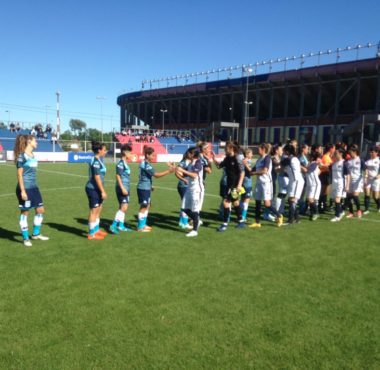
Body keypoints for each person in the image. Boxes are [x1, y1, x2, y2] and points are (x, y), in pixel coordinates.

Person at [14, 134, 49, 247]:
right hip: (25, 188)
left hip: (34, 188)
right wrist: (23, 191)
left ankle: (35, 234)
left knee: (40, 210)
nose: (37, 143)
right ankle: (25, 238)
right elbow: (19, 175)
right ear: (29, 141)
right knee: (25, 213)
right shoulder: (22, 156)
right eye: (35, 141)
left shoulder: (33, 155)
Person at [136, 146, 175, 232]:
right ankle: (140, 227)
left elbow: (145, 176)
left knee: (147, 205)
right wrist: (169, 171)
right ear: (147, 155)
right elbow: (156, 175)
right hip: (143, 188)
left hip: (146, 187)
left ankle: (143, 224)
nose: (154, 157)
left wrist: (150, 185)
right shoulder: (146, 164)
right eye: (152, 155)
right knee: (144, 206)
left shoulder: (146, 163)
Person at [212, 142, 246, 232]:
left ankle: (224, 224)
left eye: (226, 148)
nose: (225, 150)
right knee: (235, 202)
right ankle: (241, 221)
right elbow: (219, 166)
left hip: (234, 185)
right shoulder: (227, 158)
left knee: (226, 203)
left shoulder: (237, 157)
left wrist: (239, 185)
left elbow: (242, 172)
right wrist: (213, 159)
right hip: (229, 184)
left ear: (231, 148)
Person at [249, 143, 283, 228]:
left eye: (259, 148)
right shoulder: (259, 159)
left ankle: (279, 216)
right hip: (259, 183)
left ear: (263, 149)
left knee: (267, 204)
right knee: (257, 201)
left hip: (266, 183)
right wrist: (245, 164)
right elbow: (251, 170)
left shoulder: (267, 158)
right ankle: (257, 222)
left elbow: (265, 171)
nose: (257, 150)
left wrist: (254, 173)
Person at [176, 149, 204, 237]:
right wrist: (176, 169)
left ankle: (195, 230)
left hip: (197, 190)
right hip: (189, 189)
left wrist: (182, 171)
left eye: (189, 153)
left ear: (193, 154)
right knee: (184, 208)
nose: (187, 154)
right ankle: (197, 220)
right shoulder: (190, 163)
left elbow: (194, 175)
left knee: (195, 210)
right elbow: (185, 174)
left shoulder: (198, 162)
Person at [85, 141, 108, 240]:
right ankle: (91, 234)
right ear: (99, 150)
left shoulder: (99, 160)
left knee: (99, 209)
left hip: (98, 188)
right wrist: (102, 191)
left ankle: (96, 230)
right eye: (104, 150)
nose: (105, 151)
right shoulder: (95, 161)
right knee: (94, 211)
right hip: (93, 189)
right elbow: (97, 177)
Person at [109, 144, 133, 234]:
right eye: (130, 152)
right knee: (124, 207)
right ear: (125, 153)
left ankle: (121, 226)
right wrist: (122, 188)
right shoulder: (120, 163)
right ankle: (113, 225)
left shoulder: (125, 163)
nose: (131, 154)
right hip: (121, 188)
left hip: (126, 187)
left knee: (122, 207)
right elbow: (118, 176)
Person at [282, 144, 305, 225]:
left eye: (284, 150)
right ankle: (297, 218)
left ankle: (290, 220)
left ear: (287, 151)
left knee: (292, 200)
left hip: (296, 181)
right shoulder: (293, 158)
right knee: (290, 200)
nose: (283, 152)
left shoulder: (290, 158)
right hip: (294, 180)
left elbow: (280, 163)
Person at [175, 148, 194, 229]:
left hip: (188, 186)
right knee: (186, 204)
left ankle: (183, 221)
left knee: (187, 204)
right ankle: (183, 223)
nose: (194, 155)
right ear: (189, 154)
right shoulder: (184, 162)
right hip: (183, 186)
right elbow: (177, 172)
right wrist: (183, 179)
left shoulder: (191, 162)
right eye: (192, 153)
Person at [345, 144, 363, 218]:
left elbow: (365, 168)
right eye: (349, 152)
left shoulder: (360, 160)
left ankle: (359, 210)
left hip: (357, 180)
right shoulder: (348, 162)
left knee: (355, 196)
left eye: (351, 152)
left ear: (355, 152)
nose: (350, 154)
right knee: (349, 197)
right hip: (350, 180)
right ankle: (351, 212)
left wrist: (365, 176)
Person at [330, 148, 347, 222]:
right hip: (334, 182)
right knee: (334, 199)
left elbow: (347, 175)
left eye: (336, 153)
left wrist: (347, 185)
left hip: (340, 182)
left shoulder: (344, 163)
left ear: (341, 154)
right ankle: (341, 211)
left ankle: (337, 216)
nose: (334, 154)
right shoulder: (334, 163)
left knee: (337, 199)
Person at [305, 151, 322, 221]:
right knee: (310, 200)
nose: (307, 157)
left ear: (312, 157)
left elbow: (307, 170)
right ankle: (313, 213)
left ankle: (316, 213)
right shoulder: (310, 163)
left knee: (310, 199)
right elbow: (319, 171)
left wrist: (299, 166)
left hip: (314, 184)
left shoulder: (314, 164)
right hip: (310, 184)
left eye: (309, 156)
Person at [364, 146, 380, 214]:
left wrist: (379, 175)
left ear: (376, 153)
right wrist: (366, 175)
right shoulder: (368, 161)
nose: (371, 153)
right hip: (368, 179)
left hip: (376, 180)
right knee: (367, 194)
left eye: (372, 152)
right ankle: (366, 209)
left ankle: (379, 206)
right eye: (370, 152)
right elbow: (366, 169)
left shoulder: (379, 160)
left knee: (375, 196)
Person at [241, 148, 253, 222]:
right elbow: (250, 170)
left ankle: (241, 214)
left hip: (244, 181)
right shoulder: (246, 160)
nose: (252, 155)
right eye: (251, 153)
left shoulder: (246, 160)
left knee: (243, 198)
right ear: (247, 154)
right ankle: (243, 216)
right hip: (247, 181)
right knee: (246, 199)